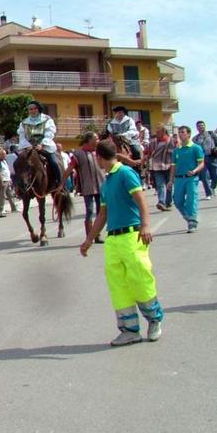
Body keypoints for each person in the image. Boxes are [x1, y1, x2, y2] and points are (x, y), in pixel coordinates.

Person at [80, 139, 163, 346]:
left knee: (140, 279)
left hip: (132, 236)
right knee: (118, 285)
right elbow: (103, 213)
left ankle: (154, 320)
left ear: (99, 157)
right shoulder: (107, 181)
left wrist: (145, 225)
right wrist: (89, 239)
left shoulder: (125, 173)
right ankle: (129, 330)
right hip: (113, 240)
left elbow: (141, 200)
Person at [66, 131, 105, 243]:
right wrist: (62, 183)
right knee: (89, 210)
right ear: (89, 140)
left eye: (98, 138)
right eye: (96, 138)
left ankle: (97, 235)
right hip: (87, 187)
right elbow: (69, 169)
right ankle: (90, 237)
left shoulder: (100, 152)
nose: (98, 140)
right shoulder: (78, 154)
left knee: (100, 211)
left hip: (101, 186)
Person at [16, 101, 63, 184]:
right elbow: (22, 136)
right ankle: (19, 185)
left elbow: (49, 133)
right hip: (28, 148)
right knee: (16, 163)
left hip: (44, 147)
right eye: (30, 109)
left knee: (54, 162)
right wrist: (28, 146)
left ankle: (59, 183)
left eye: (34, 109)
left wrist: (42, 144)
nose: (32, 111)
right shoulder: (24, 123)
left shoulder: (47, 120)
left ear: (38, 109)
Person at [171, 125, 205, 232]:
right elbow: (173, 166)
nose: (181, 134)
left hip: (191, 178)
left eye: (183, 132)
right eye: (179, 132)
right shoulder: (176, 150)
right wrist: (170, 180)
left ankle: (192, 221)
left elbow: (201, 163)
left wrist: (194, 171)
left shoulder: (196, 148)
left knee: (191, 200)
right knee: (177, 200)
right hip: (179, 179)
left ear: (188, 134)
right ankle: (189, 217)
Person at [145, 128, 175, 211]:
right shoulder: (152, 142)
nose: (157, 133)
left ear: (164, 132)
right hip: (156, 167)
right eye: (156, 132)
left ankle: (168, 202)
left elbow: (174, 153)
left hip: (168, 165)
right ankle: (161, 202)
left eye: (158, 132)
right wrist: (147, 165)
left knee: (169, 184)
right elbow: (148, 154)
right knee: (160, 185)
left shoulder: (170, 141)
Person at [192, 120, 217, 199]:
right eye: (199, 126)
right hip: (201, 159)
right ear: (197, 128)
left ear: (205, 126)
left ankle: (213, 187)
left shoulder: (211, 134)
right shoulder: (195, 139)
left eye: (202, 125)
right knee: (204, 177)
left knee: (216, 176)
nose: (201, 127)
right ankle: (208, 194)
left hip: (211, 157)